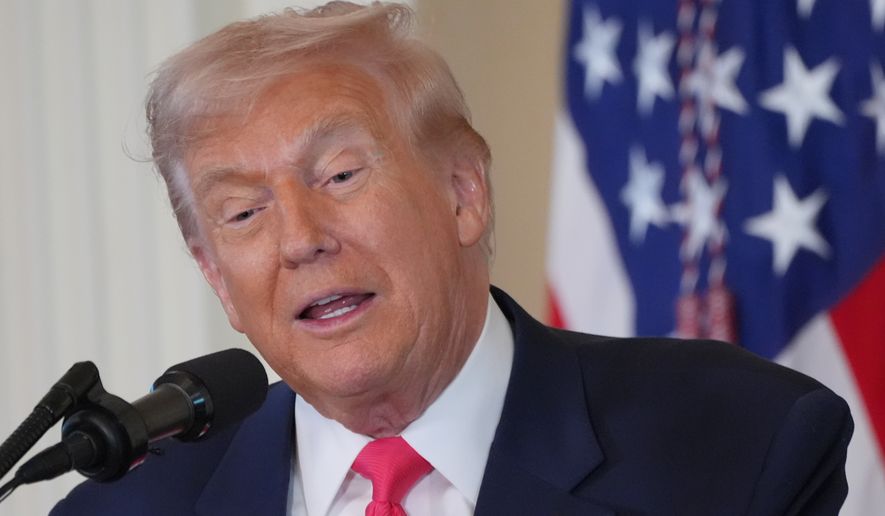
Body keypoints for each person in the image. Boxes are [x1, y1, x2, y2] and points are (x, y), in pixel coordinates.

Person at [52, 2, 852, 515]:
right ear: (215, 277)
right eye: (243, 213)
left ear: (463, 191)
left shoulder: (737, 444)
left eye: (339, 174)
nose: (299, 238)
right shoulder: (127, 507)